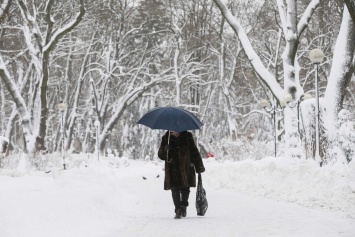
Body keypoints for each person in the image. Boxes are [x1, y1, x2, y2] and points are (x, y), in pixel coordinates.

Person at [158, 130, 205, 219]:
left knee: (185, 188)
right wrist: (165, 149)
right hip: (172, 168)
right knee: (174, 188)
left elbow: (194, 151)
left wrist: (199, 166)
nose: (173, 130)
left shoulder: (187, 136)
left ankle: (183, 206)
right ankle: (178, 209)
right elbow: (160, 155)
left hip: (186, 167)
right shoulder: (166, 137)